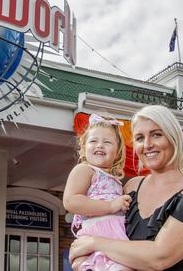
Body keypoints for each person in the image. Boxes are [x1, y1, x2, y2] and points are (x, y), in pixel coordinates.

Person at [69, 105, 183, 271]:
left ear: (174, 138)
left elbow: (159, 257)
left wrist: (93, 243)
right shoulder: (131, 186)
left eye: (156, 135)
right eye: (139, 138)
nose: (147, 144)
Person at [63, 113, 134, 271]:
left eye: (107, 142)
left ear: (118, 151)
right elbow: (70, 201)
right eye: (93, 141)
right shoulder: (85, 170)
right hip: (97, 232)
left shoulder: (115, 180)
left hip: (116, 236)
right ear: (84, 147)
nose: (100, 145)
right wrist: (110, 206)